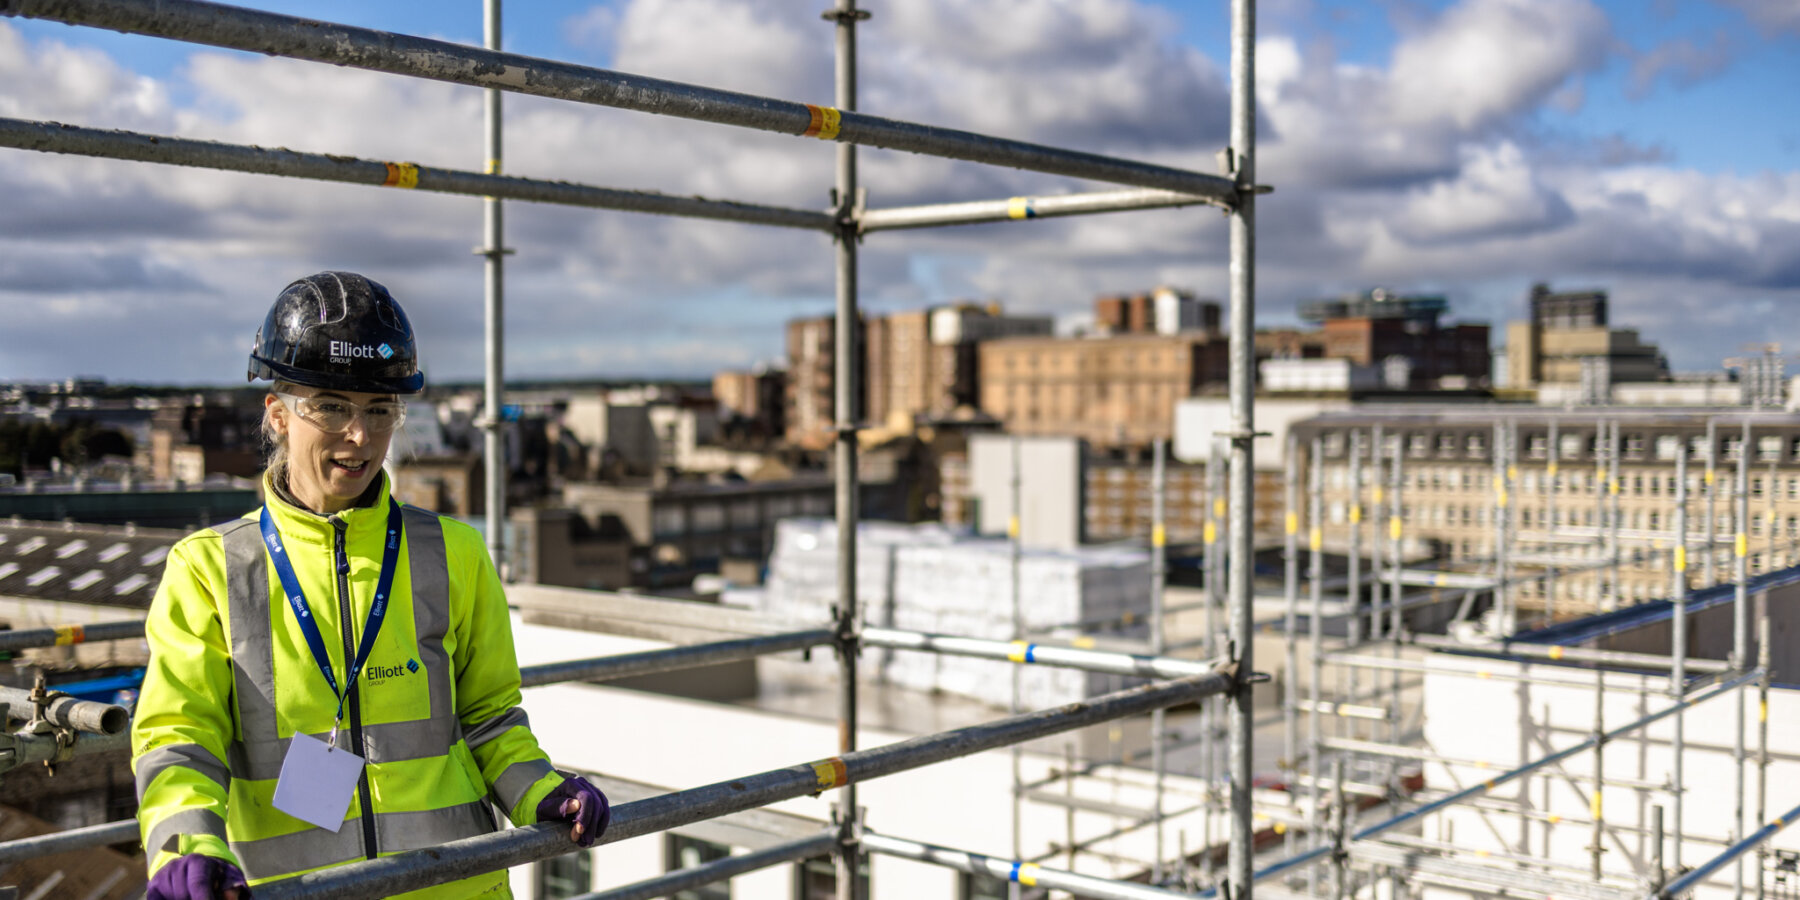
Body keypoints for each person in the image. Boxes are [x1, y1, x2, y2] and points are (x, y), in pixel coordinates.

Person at [132, 272, 607, 900]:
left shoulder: (453, 553)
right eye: (331, 406)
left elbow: (491, 718)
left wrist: (542, 790)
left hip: (455, 889)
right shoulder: (210, 570)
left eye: (381, 411)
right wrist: (185, 846)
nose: (360, 437)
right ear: (277, 415)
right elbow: (180, 738)